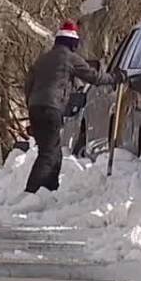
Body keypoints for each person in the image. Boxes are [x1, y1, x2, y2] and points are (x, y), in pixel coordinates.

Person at [23, 20, 122, 193]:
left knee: (53, 153)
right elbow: (94, 77)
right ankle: (31, 193)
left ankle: (48, 192)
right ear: (73, 43)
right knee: (48, 155)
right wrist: (115, 78)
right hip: (51, 108)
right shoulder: (70, 58)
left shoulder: (43, 59)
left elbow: (28, 84)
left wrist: (32, 105)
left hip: (35, 107)